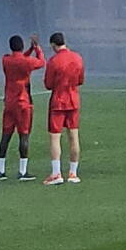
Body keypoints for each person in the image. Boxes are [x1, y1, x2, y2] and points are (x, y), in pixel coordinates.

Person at [0, 35, 44, 181]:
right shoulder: (26, 62)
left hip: (9, 102)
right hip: (23, 102)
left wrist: (29, 49)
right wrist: (37, 48)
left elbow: (20, 58)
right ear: (22, 46)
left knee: (5, 135)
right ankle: (22, 171)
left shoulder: (6, 60)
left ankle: (0, 170)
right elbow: (41, 62)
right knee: (23, 135)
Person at [43, 32, 84, 185]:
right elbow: (80, 80)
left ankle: (56, 173)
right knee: (73, 136)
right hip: (73, 100)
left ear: (54, 45)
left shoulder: (54, 61)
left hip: (58, 101)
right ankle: (73, 173)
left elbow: (48, 84)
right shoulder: (77, 58)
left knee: (55, 137)